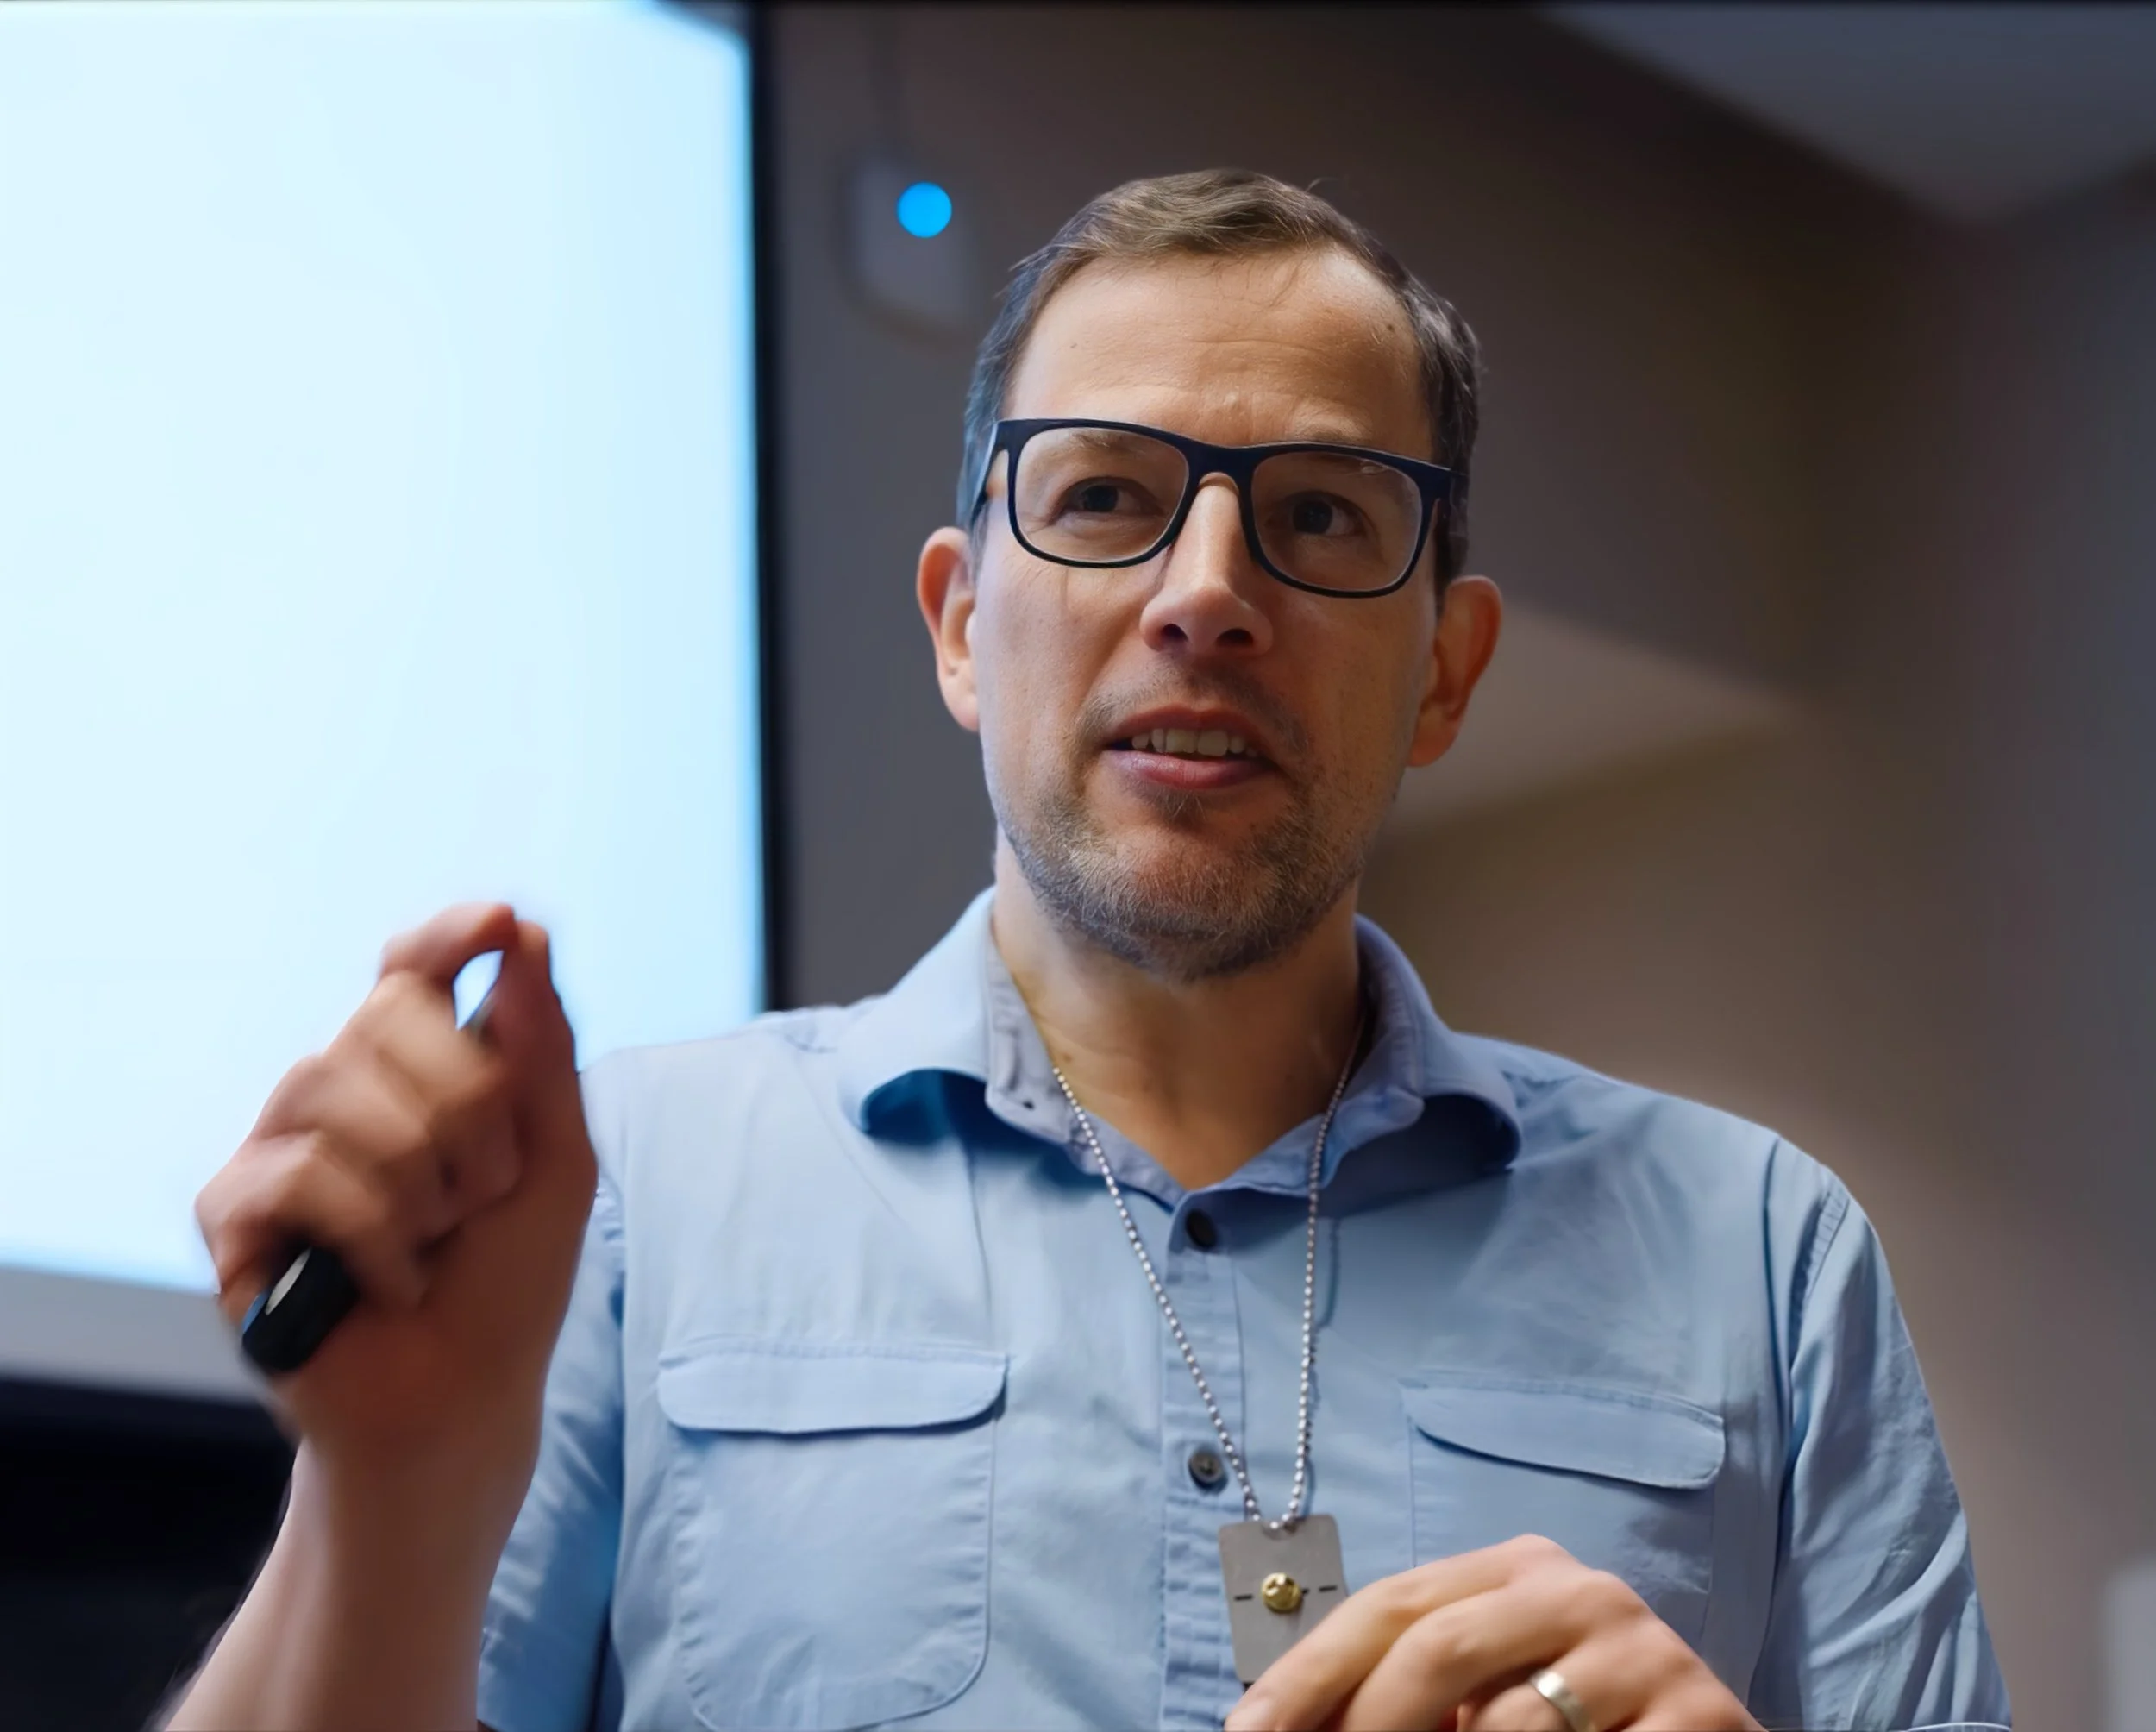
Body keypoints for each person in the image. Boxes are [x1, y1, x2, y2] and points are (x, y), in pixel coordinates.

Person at [167, 170, 2009, 1732]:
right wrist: (382, 1493)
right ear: (964, 625)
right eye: (1107, 495)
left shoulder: (1762, 1255)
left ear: (1441, 669)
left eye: (1314, 515)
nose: (1206, 590)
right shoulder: (614, 1203)